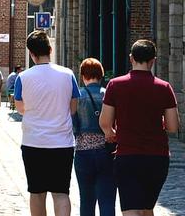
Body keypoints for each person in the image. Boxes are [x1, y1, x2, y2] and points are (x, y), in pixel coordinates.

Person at [99, 40, 180, 216]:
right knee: (147, 208)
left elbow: (105, 121)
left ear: (131, 58)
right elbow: (173, 126)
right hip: (157, 157)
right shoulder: (164, 88)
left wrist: (111, 134)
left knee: (130, 209)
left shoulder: (115, 85)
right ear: (153, 61)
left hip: (127, 155)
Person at [14, 30, 80, 216]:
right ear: (50, 49)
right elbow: (73, 108)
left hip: (33, 142)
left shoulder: (23, 78)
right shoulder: (67, 75)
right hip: (62, 142)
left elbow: (20, 108)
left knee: (36, 193)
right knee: (61, 193)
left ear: (30, 53)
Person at [73, 58, 116, 216]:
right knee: (107, 200)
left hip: (83, 152)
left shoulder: (78, 96)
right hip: (106, 151)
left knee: (86, 201)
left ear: (83, 75)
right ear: (101, 75)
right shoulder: (108, 95)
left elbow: (73, 125)